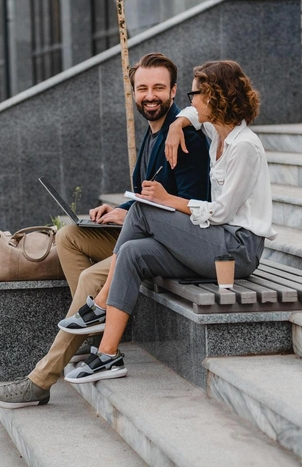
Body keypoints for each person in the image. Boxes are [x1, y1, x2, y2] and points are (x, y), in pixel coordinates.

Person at [0, 52, 210, 408]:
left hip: (167, 246)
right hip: (142, 231)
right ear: (133, 92)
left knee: (92, 278)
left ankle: (41, 379)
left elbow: (196, 209)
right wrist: (119, 211)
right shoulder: (152, 136)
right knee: (70, 236)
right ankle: (95, 327)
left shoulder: (184, 138)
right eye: (142, 88)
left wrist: (138, 212)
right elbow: (144, 197)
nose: (150, 96)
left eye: (159, 88)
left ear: (174, 91)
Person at [59, 60, 277, 383]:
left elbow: (221, 212)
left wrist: (167, 200)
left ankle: (102, 302)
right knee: (132, 253)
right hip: (214, 243)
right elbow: (189, 116)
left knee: (144, 208)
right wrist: (177, 126)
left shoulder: (245, 147)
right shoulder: (216, 134)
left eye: (196, 94)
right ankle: (107, 355)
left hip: (237, 249)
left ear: (216, 97)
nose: (191, 101)